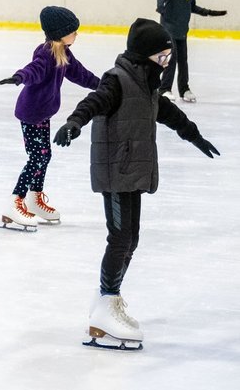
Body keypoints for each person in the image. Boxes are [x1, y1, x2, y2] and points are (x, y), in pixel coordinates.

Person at [53, 18, 219, 349]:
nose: (166, 63)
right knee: (120, 238)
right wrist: (74, 123)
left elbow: (168, 113)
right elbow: (93, 102)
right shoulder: (117, 80)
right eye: (162, 57)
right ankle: (106, 305)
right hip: (115, 171)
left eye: (168, 57)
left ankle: (107, 298)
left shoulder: (147, 86)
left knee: (132, 238)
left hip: (132, 171)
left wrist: (194, 135)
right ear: (145, 56)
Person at [0, 6, 100, 230]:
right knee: (37, 157)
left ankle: (34, 198)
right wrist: (19, 77)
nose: (76, 34)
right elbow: (33, 70)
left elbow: (80, 74)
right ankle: (15, 201)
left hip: (43, 114)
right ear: (60, 33)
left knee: (44, 156)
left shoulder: (64, 53)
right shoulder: (45, 53)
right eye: (73, 31)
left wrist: (102, 85)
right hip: (31, 114)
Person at [156, 0, 227, 102]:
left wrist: (210, 12)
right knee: (171, 59)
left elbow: (193, 7)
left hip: (181, 32)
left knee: (183, 61)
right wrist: (161, 7)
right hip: (168, 30)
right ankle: (164, 89)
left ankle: (184, 90)